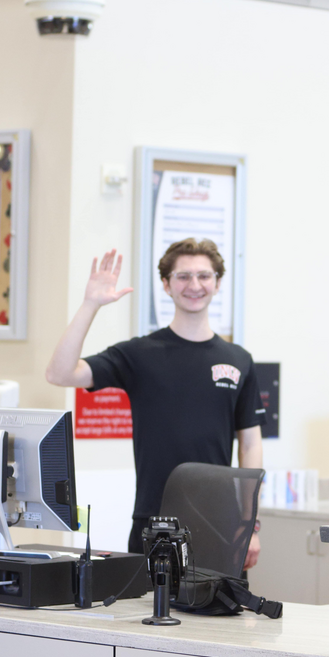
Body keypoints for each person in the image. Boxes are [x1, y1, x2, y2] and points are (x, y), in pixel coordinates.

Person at [46, 239, 265, 568]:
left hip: (220, 524)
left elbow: (250, 444)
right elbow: (60, 373)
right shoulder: (139, 354)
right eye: (182, 276)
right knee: (149, 616)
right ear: (166, 284)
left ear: (218, 283)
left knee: (216, 620)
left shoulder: (239, 360)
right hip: (154, 520)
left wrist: (251, 524)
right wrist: (90, 304)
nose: (194, 285)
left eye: (204, 276)